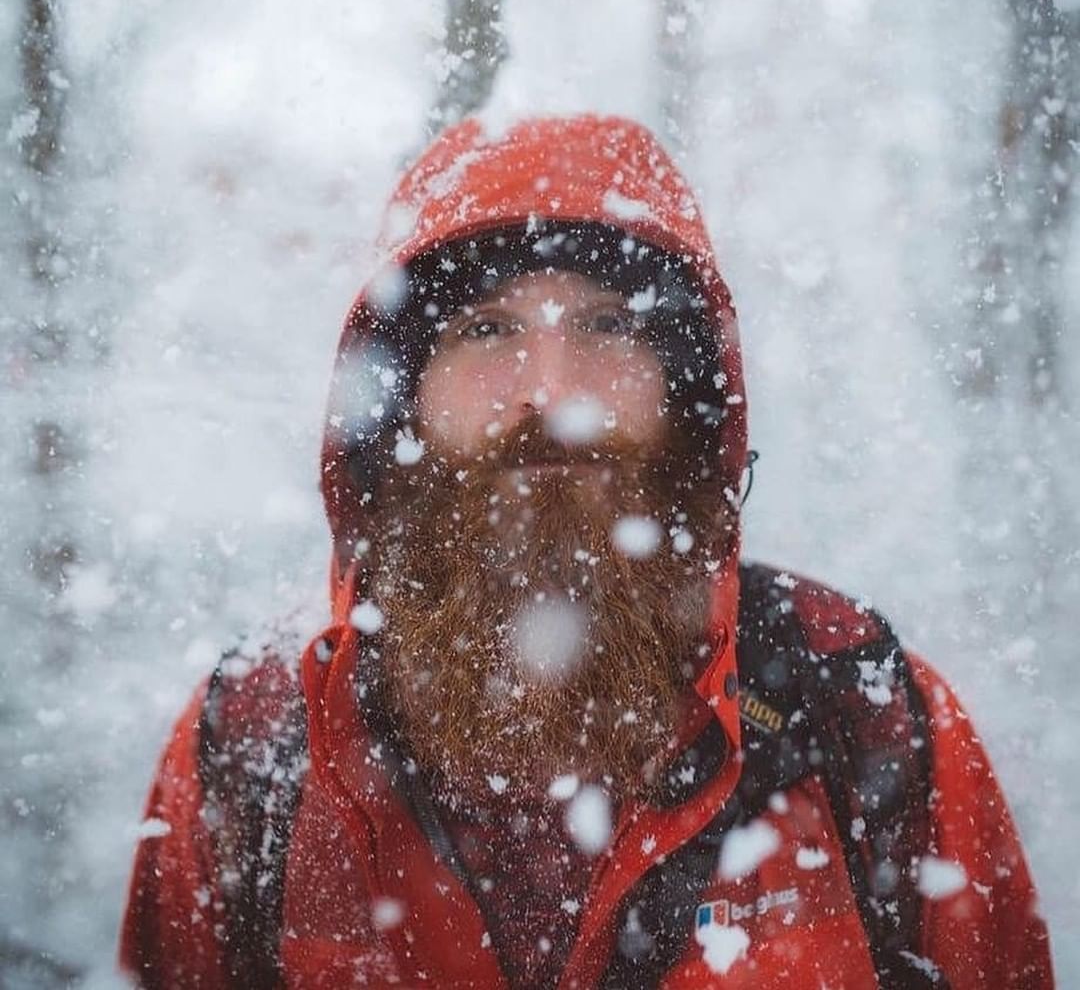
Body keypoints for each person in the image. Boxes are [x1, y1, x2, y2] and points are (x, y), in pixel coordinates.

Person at [120, 115, 1053, 989]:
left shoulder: (858, 710)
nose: (554, 394)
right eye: (487, 329)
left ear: (687, 390)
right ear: (402, 397)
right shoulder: (257, 741)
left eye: (609, 326)